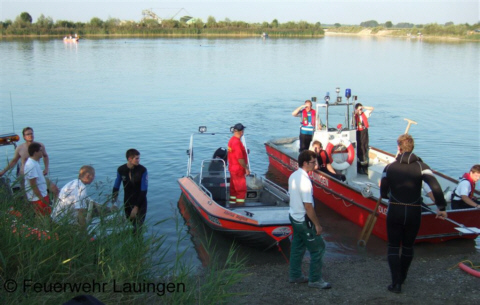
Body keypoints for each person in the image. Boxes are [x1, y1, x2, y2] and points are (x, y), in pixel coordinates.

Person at [380, 134, 447, 294]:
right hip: (413, 211)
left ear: (399, 148)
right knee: (408, 246)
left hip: (395, 209)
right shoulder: (421, 166)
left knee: (394, 246)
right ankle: (402, 277)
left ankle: (396, 283)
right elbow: (436, 187)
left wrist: (390, 193)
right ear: (413, 147)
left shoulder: (389, 168)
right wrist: (441, 207)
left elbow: (383, 193)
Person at [288, 150, 331, 289]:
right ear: (305, 163)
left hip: (294, 216)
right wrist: (317, 225)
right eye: (313, 162)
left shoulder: (293, 175)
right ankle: (315, 279)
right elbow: (308, 206)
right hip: (303, 220)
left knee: (297, 247)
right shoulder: (305, 182)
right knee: (318, 248)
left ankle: (295, 275)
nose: (316, 164)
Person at [112, 149, 148, 234]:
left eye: (139, 158)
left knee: (138, 228)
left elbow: (144, 190)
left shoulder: (142, 170)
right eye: (136, 158)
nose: (139, 160)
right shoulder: (121, 169)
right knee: (130, 227)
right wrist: (114, 202)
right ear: (129, 159)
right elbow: (116, 186)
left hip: (140, 202)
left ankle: (139, 244)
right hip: (128, 201)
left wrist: (136, 207)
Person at [23, 142, 51, 216]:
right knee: (44, 217)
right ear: (35, 152)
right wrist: (41, 198)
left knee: (47, 215)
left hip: (42, 195)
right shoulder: (31, 165)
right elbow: (33, 184)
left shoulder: (35, 162)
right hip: (38, 198)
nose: (43, 152)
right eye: (41, 150)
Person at [227, 123, 250, 206]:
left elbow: (233, 154)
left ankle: (232, 204)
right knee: (241, 190)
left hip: (232, 168)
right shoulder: (237, 143)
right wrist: (246, 168)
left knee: (233, 189)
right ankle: (240, 208)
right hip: (238, 170)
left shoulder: (231, 140)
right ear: (242, 132)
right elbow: (240, 159)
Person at [354, 103, 374, 175]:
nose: (360, 110)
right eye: (359, 109)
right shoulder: (354, 116)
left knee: (365, 146)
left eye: (361, 109)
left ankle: (365, 166)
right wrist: (356, 111)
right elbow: (353, 116)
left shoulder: (364, 114)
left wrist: (363, 107)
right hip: (358, 132)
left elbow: (372, 108)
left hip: (364, 132)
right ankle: (360, 166)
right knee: (360, 148)